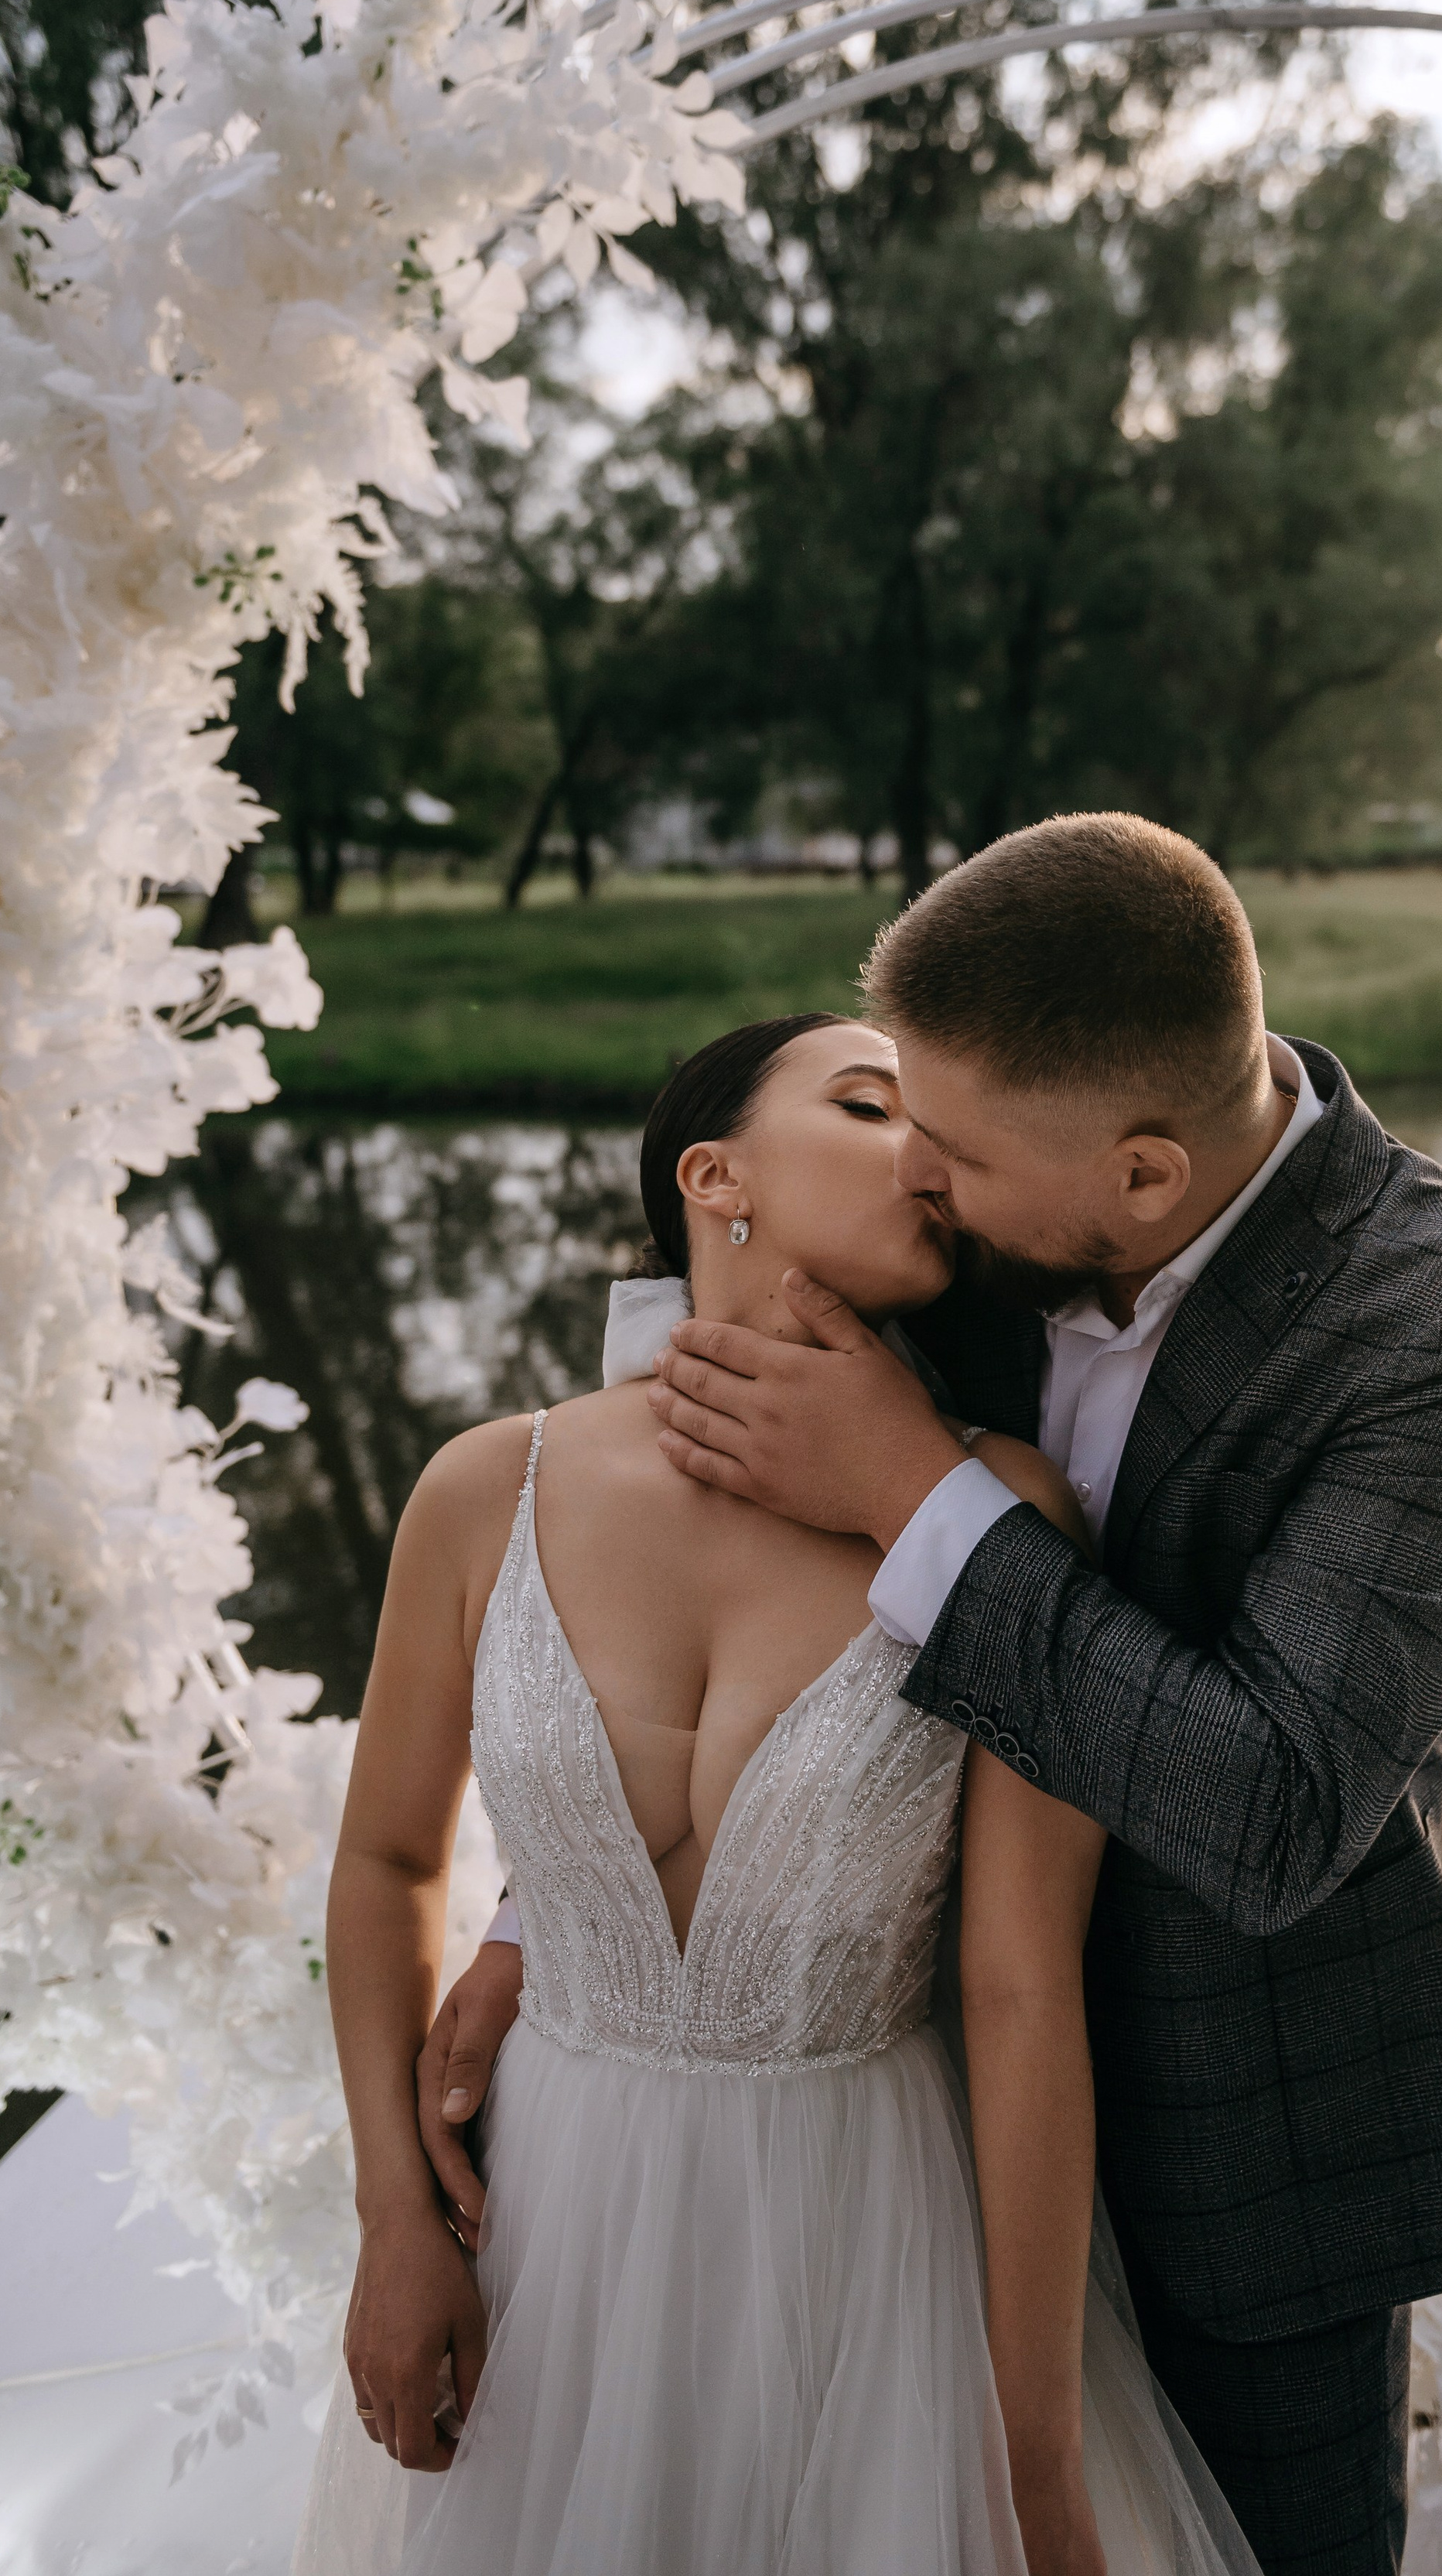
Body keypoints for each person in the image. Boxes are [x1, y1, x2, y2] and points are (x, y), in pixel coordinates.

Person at [428, 814, 1442, 2575]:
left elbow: (1269, 1811)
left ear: (1138, 1177)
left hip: (1241, 2141)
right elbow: (686, 1518)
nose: (919, 1181)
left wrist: (913, 1495)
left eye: (947, 1146)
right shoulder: (965, 1224)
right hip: (867, 2137)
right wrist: (568, 1907)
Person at [296, 1009, 1259, 2576]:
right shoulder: (487, 1486)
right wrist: (394, 2219)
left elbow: (1021, 1993)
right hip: (546, 2231)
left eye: (943, 1127)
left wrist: (1035, 2466)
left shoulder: (998, 1518)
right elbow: (387, 1858)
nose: (925, 1154)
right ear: (713, 1174)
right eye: (872, 1104)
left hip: (867, 2248)